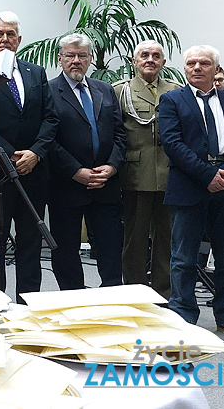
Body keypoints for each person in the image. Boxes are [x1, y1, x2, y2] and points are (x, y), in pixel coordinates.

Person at [159, 45, 224, 341]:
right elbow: (173, 144)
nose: (197, 67)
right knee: (184, 258)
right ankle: (183, 317)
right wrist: (207, 175)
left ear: (216, 69)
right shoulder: (172, 100)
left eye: (204, 63)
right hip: (190, 185)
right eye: (191, 63)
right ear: (185, 68)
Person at [0, 12, 58, 303]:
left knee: (30, 243)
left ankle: (29, 304)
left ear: (19, 40)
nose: (5, 39)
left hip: (34, 172)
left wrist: (35, 152)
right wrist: (9, 155)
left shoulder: (36, 73)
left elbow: (51, 118)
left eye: (11, 34)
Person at [47, 34, 127, 290]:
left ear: (90, 59)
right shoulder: (48, 91)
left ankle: (112, 296)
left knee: (111, 247)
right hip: (66, 185)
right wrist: (75, 171)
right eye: (70, 55)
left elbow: (120, 134)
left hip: (106, 184)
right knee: (66, 250)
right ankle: (73, 299)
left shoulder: (105, 89)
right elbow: (48, 139)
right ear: (60, 59)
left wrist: (112, 166)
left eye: (82, 56)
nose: (76, 61)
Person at [112, 40, 181, 296]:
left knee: (167, 238)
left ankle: (164, 292)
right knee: (135, 239)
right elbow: (114, 133)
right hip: (136, 175)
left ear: (163, 62)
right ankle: (135, 292)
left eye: (156, 55)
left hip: (169, 175)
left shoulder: (175, 91)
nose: (150, 59)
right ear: (134, 61)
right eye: (144, 55)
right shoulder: (121, 91)